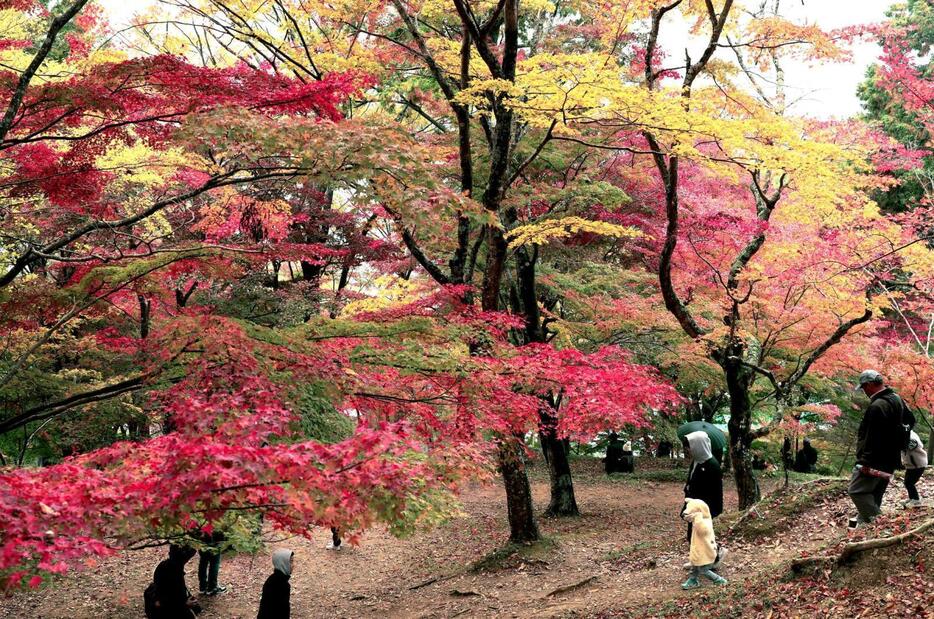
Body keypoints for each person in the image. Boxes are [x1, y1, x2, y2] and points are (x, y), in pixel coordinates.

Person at [848, 370, 916, 525]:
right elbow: (911, 420)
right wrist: (897, 437)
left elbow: (873, 438)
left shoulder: (877, 406)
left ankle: (881, 525)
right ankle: (864, 527)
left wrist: (865, 461)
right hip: (891, 458)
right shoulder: (896, 399)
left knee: (856, 491)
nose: (864, 391)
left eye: (864, 387)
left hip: (874, 460)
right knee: (875, 493)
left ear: (870, 384)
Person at [680, 498, 728, 590]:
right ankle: (693, 580)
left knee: (703, 570)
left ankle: (719, 580)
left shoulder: (705, 521)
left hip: (706, 552)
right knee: (694, 566)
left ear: (699, 512)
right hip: (699, 552)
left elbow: (702, 531)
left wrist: (697, 517)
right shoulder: (698, 521)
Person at [145, 544, 201, 619]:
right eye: (187, 559)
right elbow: (161, 603)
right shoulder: (172, 573)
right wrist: (185, 604)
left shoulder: (166, 565)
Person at [257, 548, 294, 619]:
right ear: (283, 563)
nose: (293, 565)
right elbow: (282, 611)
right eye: (291, 562)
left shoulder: (272, 579)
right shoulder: (282, 584)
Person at [902, 429, 928, 508]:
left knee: (909, 483)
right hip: (911, 464)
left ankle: (916, 500)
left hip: (917, 464)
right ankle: (912, 498)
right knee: (907, 482)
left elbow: (912, 445)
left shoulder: (911, 436)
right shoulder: (906, 434)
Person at [198, 529, 227, 595]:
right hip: (215, 540)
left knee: (203, 563)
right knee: (214, 564)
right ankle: (212, 588)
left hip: (202, 540)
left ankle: (203, 587)